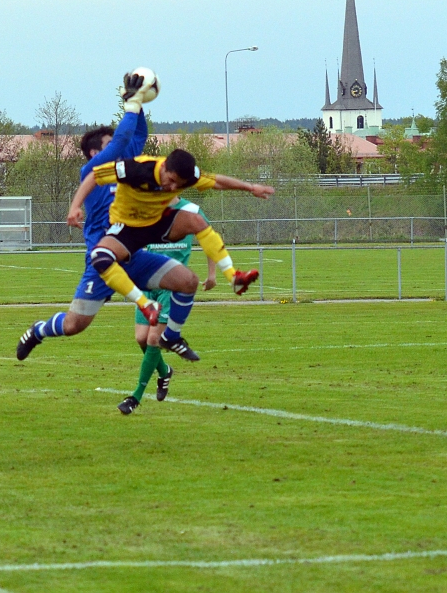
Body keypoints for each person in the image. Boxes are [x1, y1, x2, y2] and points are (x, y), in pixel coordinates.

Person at [15, 73, 201, 362]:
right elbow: (125, 137)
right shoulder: (93, 168)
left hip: (133, 255)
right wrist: (131, 101)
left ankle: (172, 337)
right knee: (74, 325)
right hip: (103, 261)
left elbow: (137, 135)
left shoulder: (124, 166)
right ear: (93, 153)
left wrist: (138, 105)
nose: (116, 145)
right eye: (108, 143)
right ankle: (37, 331)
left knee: (187, 280)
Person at [66, 149, 274, 361]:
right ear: (164, 166)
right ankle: (145, 304)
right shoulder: (138, 168)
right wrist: (75, 206)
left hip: (156, 223)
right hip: (127, 228)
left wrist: (250, 187)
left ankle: (233, 277)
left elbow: (216, 181)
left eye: (180, 184)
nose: (174, 188)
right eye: (172, 180)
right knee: (100, 256)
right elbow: (94, 176)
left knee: (197, 221)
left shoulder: (187, 176)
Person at [117, 197, 216, 415]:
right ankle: (164, 370)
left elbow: (210, 240)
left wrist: (212, 274)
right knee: (141, 338)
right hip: (148, 283)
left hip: (172, 286)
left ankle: (135, 397)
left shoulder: (191, 211)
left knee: (154, 339)